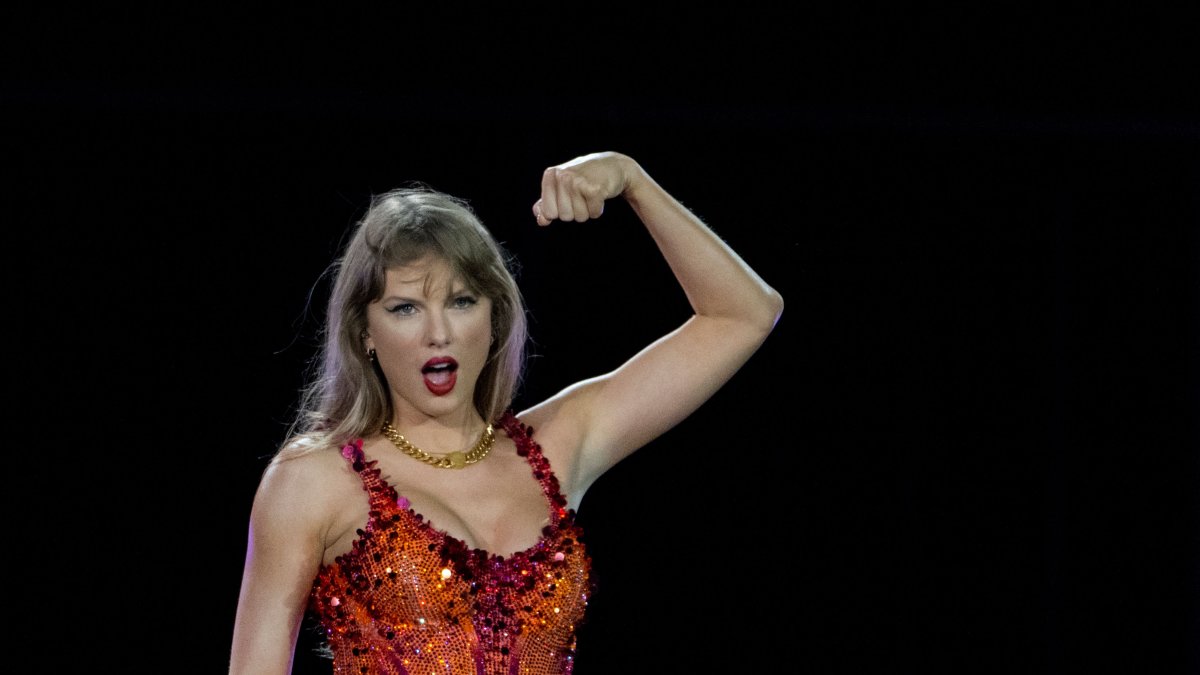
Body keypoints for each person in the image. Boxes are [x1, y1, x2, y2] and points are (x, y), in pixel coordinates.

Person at [229, 150, 784, 674]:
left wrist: (631, 179)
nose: (438, 332)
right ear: (364, 333)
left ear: (495, 318)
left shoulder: (558, 443)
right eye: (405, 308)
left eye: (461, 301)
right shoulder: (313, 482)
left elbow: (744, 314)